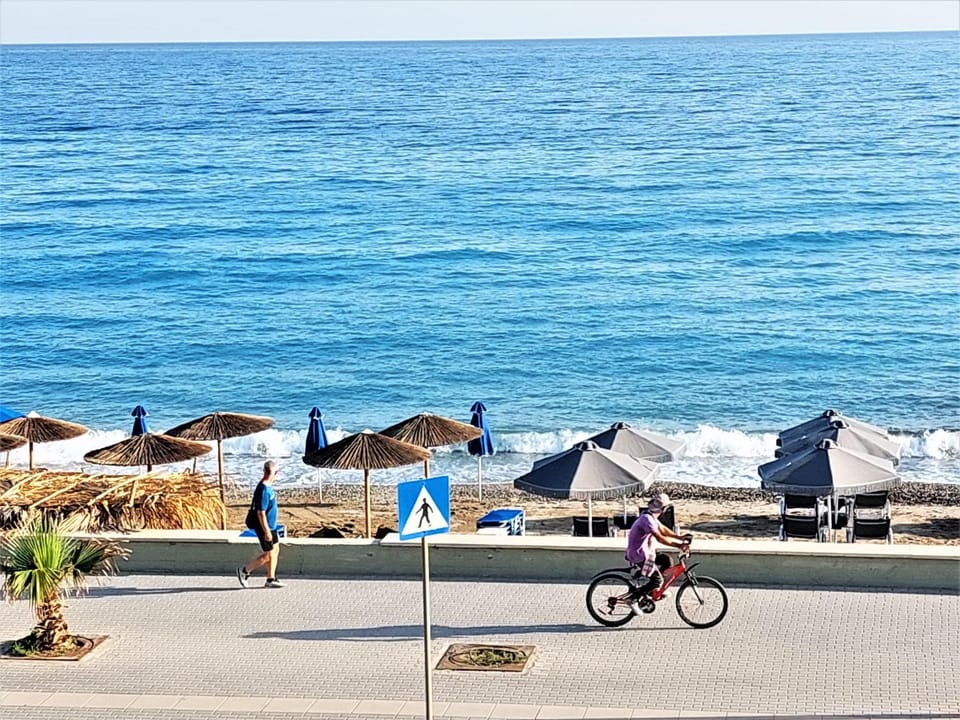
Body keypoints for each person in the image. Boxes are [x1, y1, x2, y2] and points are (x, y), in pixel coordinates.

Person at [625, 493, 690, 613]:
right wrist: (679, 545)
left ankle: (653, 590)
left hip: (646, 552)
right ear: (664, 509)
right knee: (657, 580)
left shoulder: (650, 516)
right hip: (639, 555)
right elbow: (660, 538)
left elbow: (663, 530)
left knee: (666, 560)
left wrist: (679, 537)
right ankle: (632, 599)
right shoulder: (647, 520)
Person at [237, 460, 284, 588]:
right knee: (268, 555)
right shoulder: (263, 490)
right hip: (265, 527)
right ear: (276, 473)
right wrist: (267, 531)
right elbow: (260, 513)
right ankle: (244, 571)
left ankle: (271, 579)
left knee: (275, 551)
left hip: (271, 526)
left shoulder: (266, 486)